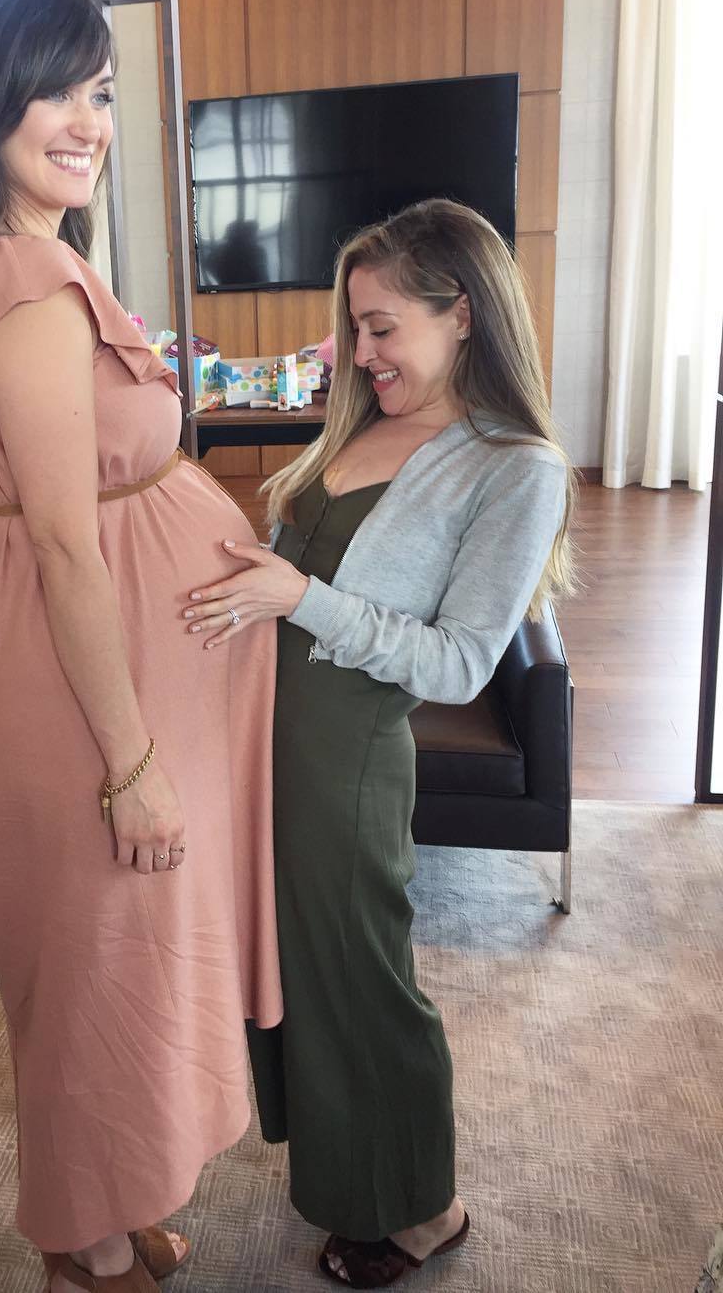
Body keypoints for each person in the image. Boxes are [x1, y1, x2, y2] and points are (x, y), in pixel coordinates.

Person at [0, 0, 282, 1293]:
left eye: (99, 92)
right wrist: (132, 761)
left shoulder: (12, 264)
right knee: (96, 966)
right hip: (89, 696)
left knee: (110, 959)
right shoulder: (21, 279)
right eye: (54, 91)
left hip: (91, 671)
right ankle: (84, 1242)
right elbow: (65, 544)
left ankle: (106, 1201)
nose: (87, 121)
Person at [179, 198, 575, 1289]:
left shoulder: (515, 467)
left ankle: (426, 1208)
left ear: (464, 315)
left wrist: (298, 597)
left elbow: (457, 663)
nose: (360, 353)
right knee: (299, 968)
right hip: (263, 736)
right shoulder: (356, 428)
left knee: (363, 977)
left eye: (382, 326)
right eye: (354, 327)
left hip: (345, 755)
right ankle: (348, 1180)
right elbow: (283, 574)